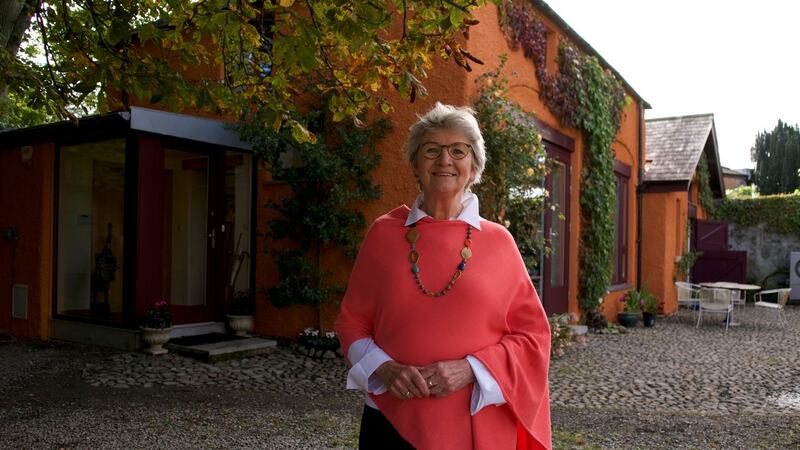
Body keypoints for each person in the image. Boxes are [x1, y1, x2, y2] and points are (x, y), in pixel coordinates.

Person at [335, 102, 552, 450]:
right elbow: (351, 323)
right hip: (390, 420)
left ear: (474, 165)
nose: (445, 160)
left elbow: (533, 337)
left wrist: (471, 369)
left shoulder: (499, 243)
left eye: (458, 150)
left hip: (474, 424)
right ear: (415, 164)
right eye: (432, 150)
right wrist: (385, 369)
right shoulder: (383, 235)